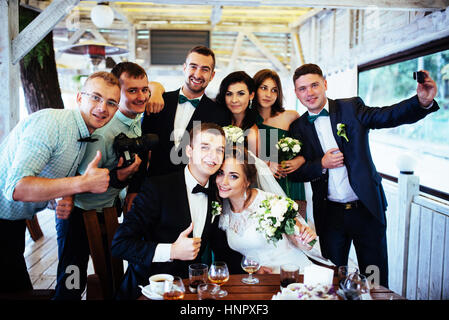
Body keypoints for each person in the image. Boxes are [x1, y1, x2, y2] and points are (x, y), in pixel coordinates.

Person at [288, 63, 439, 288]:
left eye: (314, 85)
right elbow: (295, 171)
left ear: (325, 85)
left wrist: (421, 102)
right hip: (330, 216)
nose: (309, 93)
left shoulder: (350, 108)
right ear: (296, 93)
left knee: (375, 276)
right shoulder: (298, 127)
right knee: (332, 276)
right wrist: (321, 164)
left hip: (366, 209)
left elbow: (386, 116)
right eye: (302, 89)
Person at [0, 71, 120, 293]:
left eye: (111, 103)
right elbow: (16, 188)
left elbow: (48, 173)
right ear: (78, 98)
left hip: (13, 221)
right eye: (95, 97)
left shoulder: (83, 134)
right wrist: (81, 184)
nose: (103, 107)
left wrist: (60, 197)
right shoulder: (52, 124)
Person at [111, 123, 242, 300]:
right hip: (148, 290)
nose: (213, 156)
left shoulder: (217, 193)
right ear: (189, 151)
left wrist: (252, 271)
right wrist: (171, 251)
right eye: (205, 147)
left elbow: (222, 249)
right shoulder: (157, 188)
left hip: (190, 292)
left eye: (219, 150)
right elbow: (120, 245)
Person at [53, 62, 149, 300]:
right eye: (132, 91)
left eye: (145, 89)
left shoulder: (134, 121)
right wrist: (118, 179)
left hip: (106, 212)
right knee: (72, 278)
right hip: (78, 215)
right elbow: (78, 180)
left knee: (111, 274)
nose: (141, 96)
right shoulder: (101, 130)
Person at [216, 147, 317, 274]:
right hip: (257, 279)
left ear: (247, 182)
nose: (223, 182)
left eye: (233, 176)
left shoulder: (271, 202)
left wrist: (306, 239)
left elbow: (299, 240)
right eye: (220, 173)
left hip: (291, 272)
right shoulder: (220, 209)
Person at [139, 45, 231, 178]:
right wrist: (134, 189)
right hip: (153, 184)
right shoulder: (159, 101)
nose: (198, 74)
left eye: (205, 69)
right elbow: (143, 148)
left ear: (212, 75)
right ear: (184, 68)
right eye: (193, 66)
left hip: (195, 189)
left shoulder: (220, 114)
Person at [253, 69, 306, 212]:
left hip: (291, 182)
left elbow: (311, 146)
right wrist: (265, 164)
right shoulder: (248, 122)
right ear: (254, 89)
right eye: (263, 88)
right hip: (261, 185)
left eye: (274, 90)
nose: (268, 94)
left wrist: (299, 160)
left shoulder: (290, 116)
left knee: (297, 229)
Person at [215, 71, 260, 156]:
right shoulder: (216, 119)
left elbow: (252, 168)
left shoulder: (252, 134)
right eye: (229, 94)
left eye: (241, 94)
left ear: (251, 95)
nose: (234, 100)